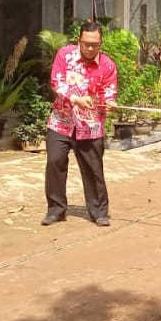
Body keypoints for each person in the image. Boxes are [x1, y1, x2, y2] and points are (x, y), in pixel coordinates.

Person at [43, 20, 117, 227]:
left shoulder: (108, 65)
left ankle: (99, 212)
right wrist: (75, 99)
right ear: (79, 41)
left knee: (93, 169)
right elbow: (56, 82)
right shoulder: (64, 55)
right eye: (86, 43)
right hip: (61, 121)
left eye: (95, 44)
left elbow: (109, 92)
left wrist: (110, 102)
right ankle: (56, 210)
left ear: (101, 43)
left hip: (90, 125)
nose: (90, 48)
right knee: (55, 162)